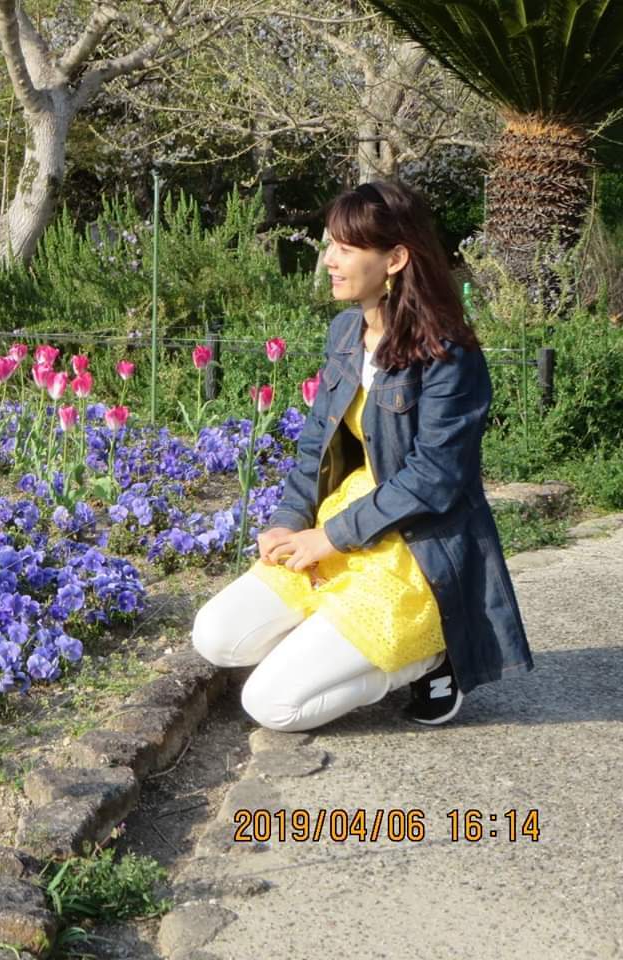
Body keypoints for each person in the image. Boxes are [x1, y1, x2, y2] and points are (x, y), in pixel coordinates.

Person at [191, 180, 533, 732]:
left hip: (416, 546)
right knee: (215, 636)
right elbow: (316, 440)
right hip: (345, 522)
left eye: (345, 248)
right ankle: (340, 636)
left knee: (272, 706)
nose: (328, 259)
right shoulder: (346, 332)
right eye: (330, 244)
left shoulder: (449, 353)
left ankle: (428, 655)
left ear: (395, 258)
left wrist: (326, 539)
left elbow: (434, 478)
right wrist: (289, 520)